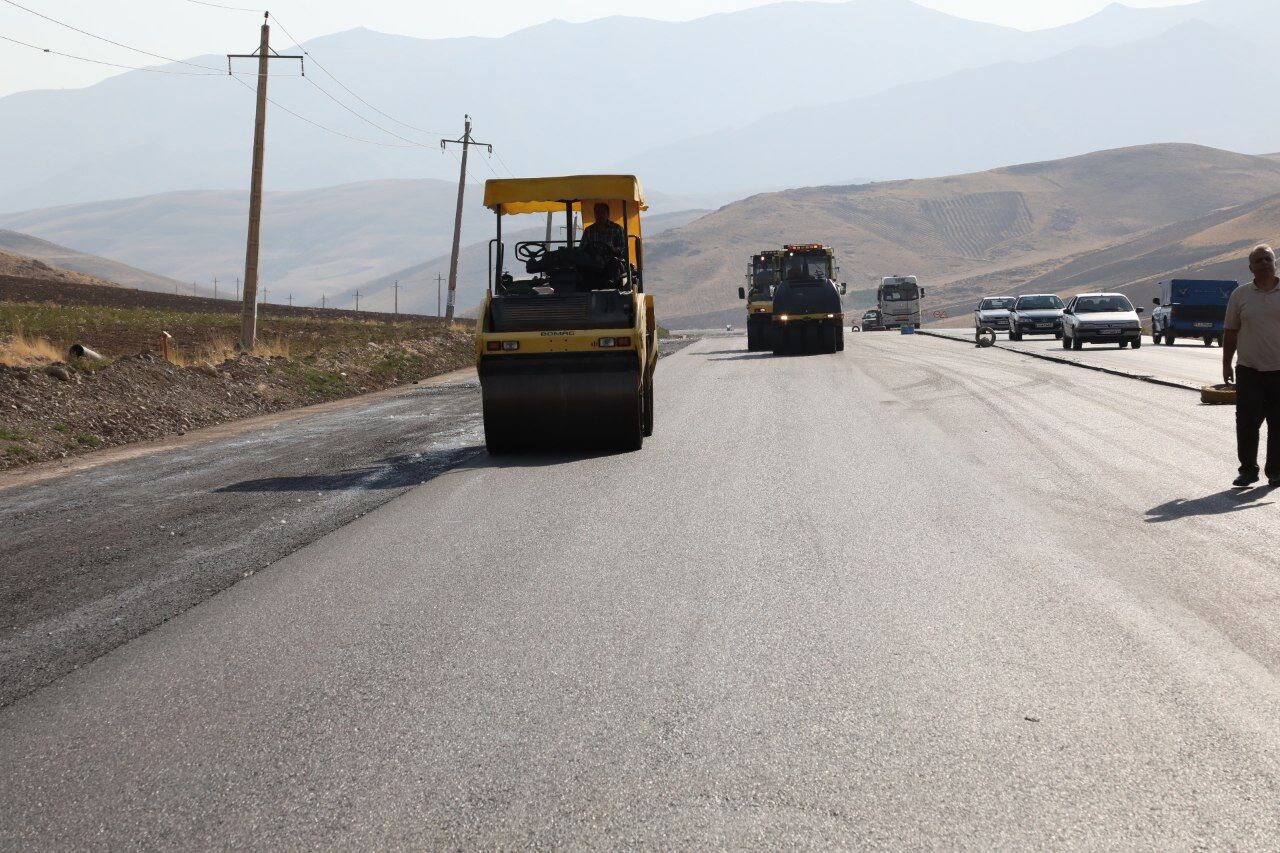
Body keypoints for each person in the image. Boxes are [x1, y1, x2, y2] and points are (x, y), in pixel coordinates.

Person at [1223, 244, 1280, 488]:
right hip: (1249, 370)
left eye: (1268, 259)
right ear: (1251, 268)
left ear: (1275, 263)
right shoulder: (1240, 295)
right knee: (1247, 423)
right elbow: (1231, 331)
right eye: (1259, 260)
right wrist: (1226, 364)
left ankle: (1276, 471)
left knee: (1278, 424)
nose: (1264, 263)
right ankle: (1248, 471)